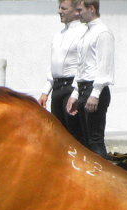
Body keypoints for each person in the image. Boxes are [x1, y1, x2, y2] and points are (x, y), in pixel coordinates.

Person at [65, 0, 115, 160]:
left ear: (91, 9)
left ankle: (104, 181)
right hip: (83, 88)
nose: (77, 13)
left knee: (95, 140)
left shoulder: (103, 33)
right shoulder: (86, 32)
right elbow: (82, 65)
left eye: (80, 10)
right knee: (85, 141)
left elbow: (104, 65)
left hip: (94, 89)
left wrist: (96, 93)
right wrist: (75, 93)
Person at [38, 0, 85, 143]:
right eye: (59, 8)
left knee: (73, 135)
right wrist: (46, 91)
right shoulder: (58, 35)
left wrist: (76, 93)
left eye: (63, 8)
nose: (59, 11)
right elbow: (53, 64)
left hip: (71, 86)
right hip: (58, 88)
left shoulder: (82, 32)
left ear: (76, 11)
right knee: (58, 135)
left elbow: (83, 64)